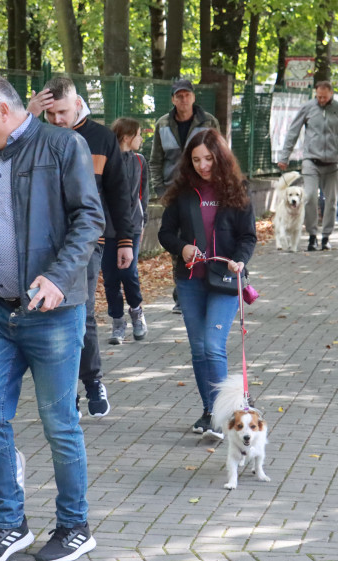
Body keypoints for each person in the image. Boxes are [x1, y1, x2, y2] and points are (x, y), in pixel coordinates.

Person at [0, 74, 103, 561]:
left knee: (59, 423)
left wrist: (59, 277)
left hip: (53, 313)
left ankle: (75, 527)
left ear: (2, 111)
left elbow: (89, 219)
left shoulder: (63, 146)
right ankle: (9, 524)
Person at [26, 77, 135, 418]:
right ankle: (66, 389)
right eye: (50, 114)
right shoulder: (34, 135)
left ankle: (91, 382)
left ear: (77, 104)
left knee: (81, 314)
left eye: (62, 112)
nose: (57, 120)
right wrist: (28, 119)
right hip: (40, 243)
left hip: (87, 243)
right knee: (47, 316)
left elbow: (120, 193)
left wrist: (126, 240)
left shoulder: (101, 138)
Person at [158, 129, 256, 436]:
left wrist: (239, 259)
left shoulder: (236, 189)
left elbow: (248, 236)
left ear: (220, 157)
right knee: (199, 349)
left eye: (209, 158)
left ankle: (229, 415)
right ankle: (211, 411)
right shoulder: (183, 191)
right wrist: (182, 247)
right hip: (189, 281)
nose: (203, 165)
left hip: (225, 279)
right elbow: (165, 233)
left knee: (213, 347)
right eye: (196, 159)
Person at [149, 79, 220, 314]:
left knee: (205, 237)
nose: (183, 99)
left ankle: (209, 285)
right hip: (173, 192)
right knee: (178, 242)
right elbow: (156, 160)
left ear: (193, 97)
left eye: (187, 95)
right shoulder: (162, 124)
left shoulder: (208, 122)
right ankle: (181, 294)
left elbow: (219, 153)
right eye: (178, 96)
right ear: (172, 99)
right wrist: (160, 191)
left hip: (202, 190)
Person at [277, 81, 338, 251]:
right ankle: (312, 236)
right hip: (311, 160)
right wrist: (284, 157)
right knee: (309, 197)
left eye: (324, 97)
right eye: (318, 96)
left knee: (331, 201)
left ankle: (326, 236)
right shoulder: (308, 107)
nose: (321, 100)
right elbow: (293, 131)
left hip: (333, 162)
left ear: (331, 94)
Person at [108, 117, 150, 345]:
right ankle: (117, 321)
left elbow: (144, 196)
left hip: (132, 227)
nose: (141, 139)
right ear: (127, 137)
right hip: (108, 229)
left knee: (129, 273)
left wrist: (142, 226)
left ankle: (136, 311)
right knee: (111, 278)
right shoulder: (106, 160)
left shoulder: (140, 161)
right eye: (139, 135)